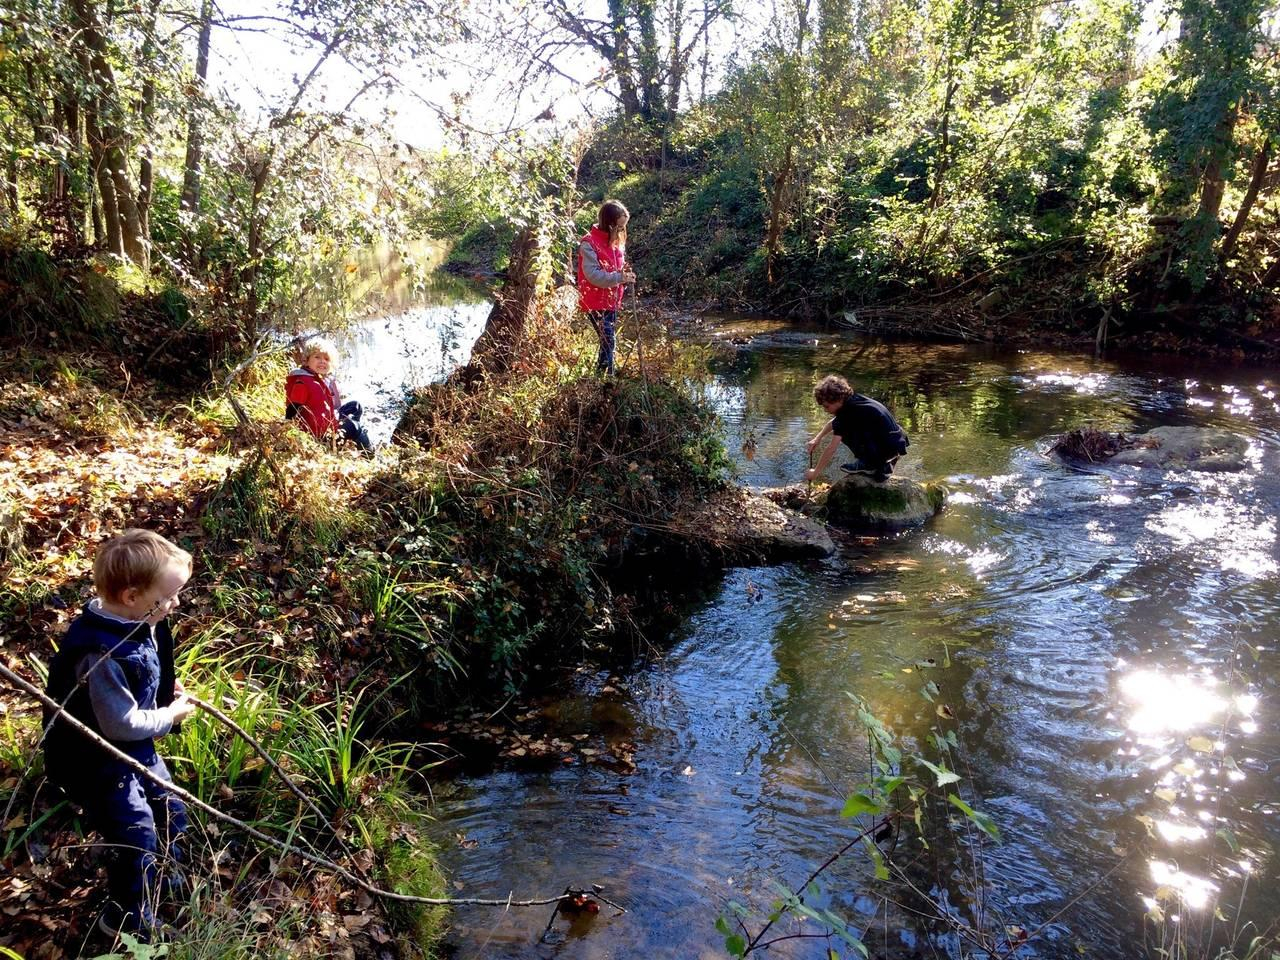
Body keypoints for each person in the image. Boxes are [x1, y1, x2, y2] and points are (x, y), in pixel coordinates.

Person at [42, 529, 197, 941]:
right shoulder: (101, 652)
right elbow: (121, 723)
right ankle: (127, 918)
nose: (175, 603)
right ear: (131, 596)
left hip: (135, 750)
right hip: (99, 761)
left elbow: (144, 665)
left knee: (170, 808)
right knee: (136, 834)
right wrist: (169, 715)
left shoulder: (140, 619)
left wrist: (161, 688)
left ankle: (164, 879)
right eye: (169, 596)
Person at [805, 374, 909, 483]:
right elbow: (835, 422)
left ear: (838, 399)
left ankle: (869, 464)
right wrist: (817, 438)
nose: (826, 410)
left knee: (845, 432)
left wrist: (815, 473)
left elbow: (831, 448)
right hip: (897, 442)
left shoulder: (846, 414)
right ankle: (883, 465)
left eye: (827, 406)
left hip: (889, 447)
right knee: (846, 427)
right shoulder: (854, 400)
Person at [577, 199, 636, 376]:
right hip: (594, 300)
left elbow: (618, 267)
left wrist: (626, 275)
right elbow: (593, 275)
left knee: (607, 340)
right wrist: (619, 277)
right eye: (619, 227)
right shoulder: (589, 243)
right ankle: (607, 376)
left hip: (612, 300)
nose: (622, 231)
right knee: (608, 339)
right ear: (609, 225)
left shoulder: (617, 243)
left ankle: (603, 375)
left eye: (624, 227)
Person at [285, 337, 372, 451]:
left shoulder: (318, 379)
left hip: (328, 425)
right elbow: (292, 409)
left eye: (326, 359)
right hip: (321, 436)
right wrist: (289, 432)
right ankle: (369, 454)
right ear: (306, 360)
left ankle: (350, 443)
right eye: (317, 357)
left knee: (355, 406)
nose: (322, 361)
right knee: (353, 426)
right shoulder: (303, 382)